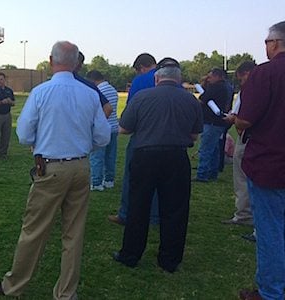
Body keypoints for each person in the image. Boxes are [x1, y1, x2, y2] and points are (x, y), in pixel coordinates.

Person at [0, 40, 112, 300]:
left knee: (34, 230)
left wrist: (38, 143)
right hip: (80, 166)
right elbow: (102, 136)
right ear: (77, 63)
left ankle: (14, 286)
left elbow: (23, 134)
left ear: (51, 62)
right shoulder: (89, 93)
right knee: (74, 234)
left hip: (50, 167)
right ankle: (66, 293)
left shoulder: (41, 92)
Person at [236, 20, 285, 300]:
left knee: (269, 232)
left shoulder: (265, 73)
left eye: (267, 42)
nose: (265, 46)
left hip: (268, 165)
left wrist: (235, 120)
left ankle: (270, 292)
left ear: (275, 43)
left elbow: (245, 118)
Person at [112, 58, 203, 273]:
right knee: (175, 209)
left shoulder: (143, 97)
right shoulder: (191, 101)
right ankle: (170, 259)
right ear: (180, 80)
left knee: (138, 206)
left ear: (156, 78)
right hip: (177, 157)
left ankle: (131, 254)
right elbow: (194, 134)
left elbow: (124, 128)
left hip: (146, 156)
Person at [109, 53, 159, 226]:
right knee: (159, 180)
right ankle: (154, 216)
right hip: (169, 140)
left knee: (132, 177)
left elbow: (131, 111)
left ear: (141, 68)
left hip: (142, 137)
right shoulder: (172, 79)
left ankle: (125, 213)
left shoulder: (140, 81)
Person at [220, 61, 256, 226]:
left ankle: (244, 215)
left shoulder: (250, 90)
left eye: (241, 79)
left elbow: (241, 117)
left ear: (247, 73)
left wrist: (232, 118)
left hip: (248, 138)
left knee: (243, 178)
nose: (241, 83)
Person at [194, 68, 233, 182]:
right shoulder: (227, 87)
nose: (209, 79)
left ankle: (202, 174)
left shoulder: (216, 87)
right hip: (220, 122)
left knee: (206, 148)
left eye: (210, 77)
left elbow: (203, 98)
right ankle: (212, 172)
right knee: (214, 149)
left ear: (217, 76)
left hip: (211, 122)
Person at [85, 70, 119, 191]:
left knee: (97, 156)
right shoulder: (113, 90)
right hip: (114, 127)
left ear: (93, 80)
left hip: (102, 128)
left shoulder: (98, 91)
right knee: (110, 156)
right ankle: (109, 180)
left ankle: (96, 182)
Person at [74, 52, 113, 118]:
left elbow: (108, 109)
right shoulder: (89, 86)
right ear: (80, 65)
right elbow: (108, 108)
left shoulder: (51, 86)